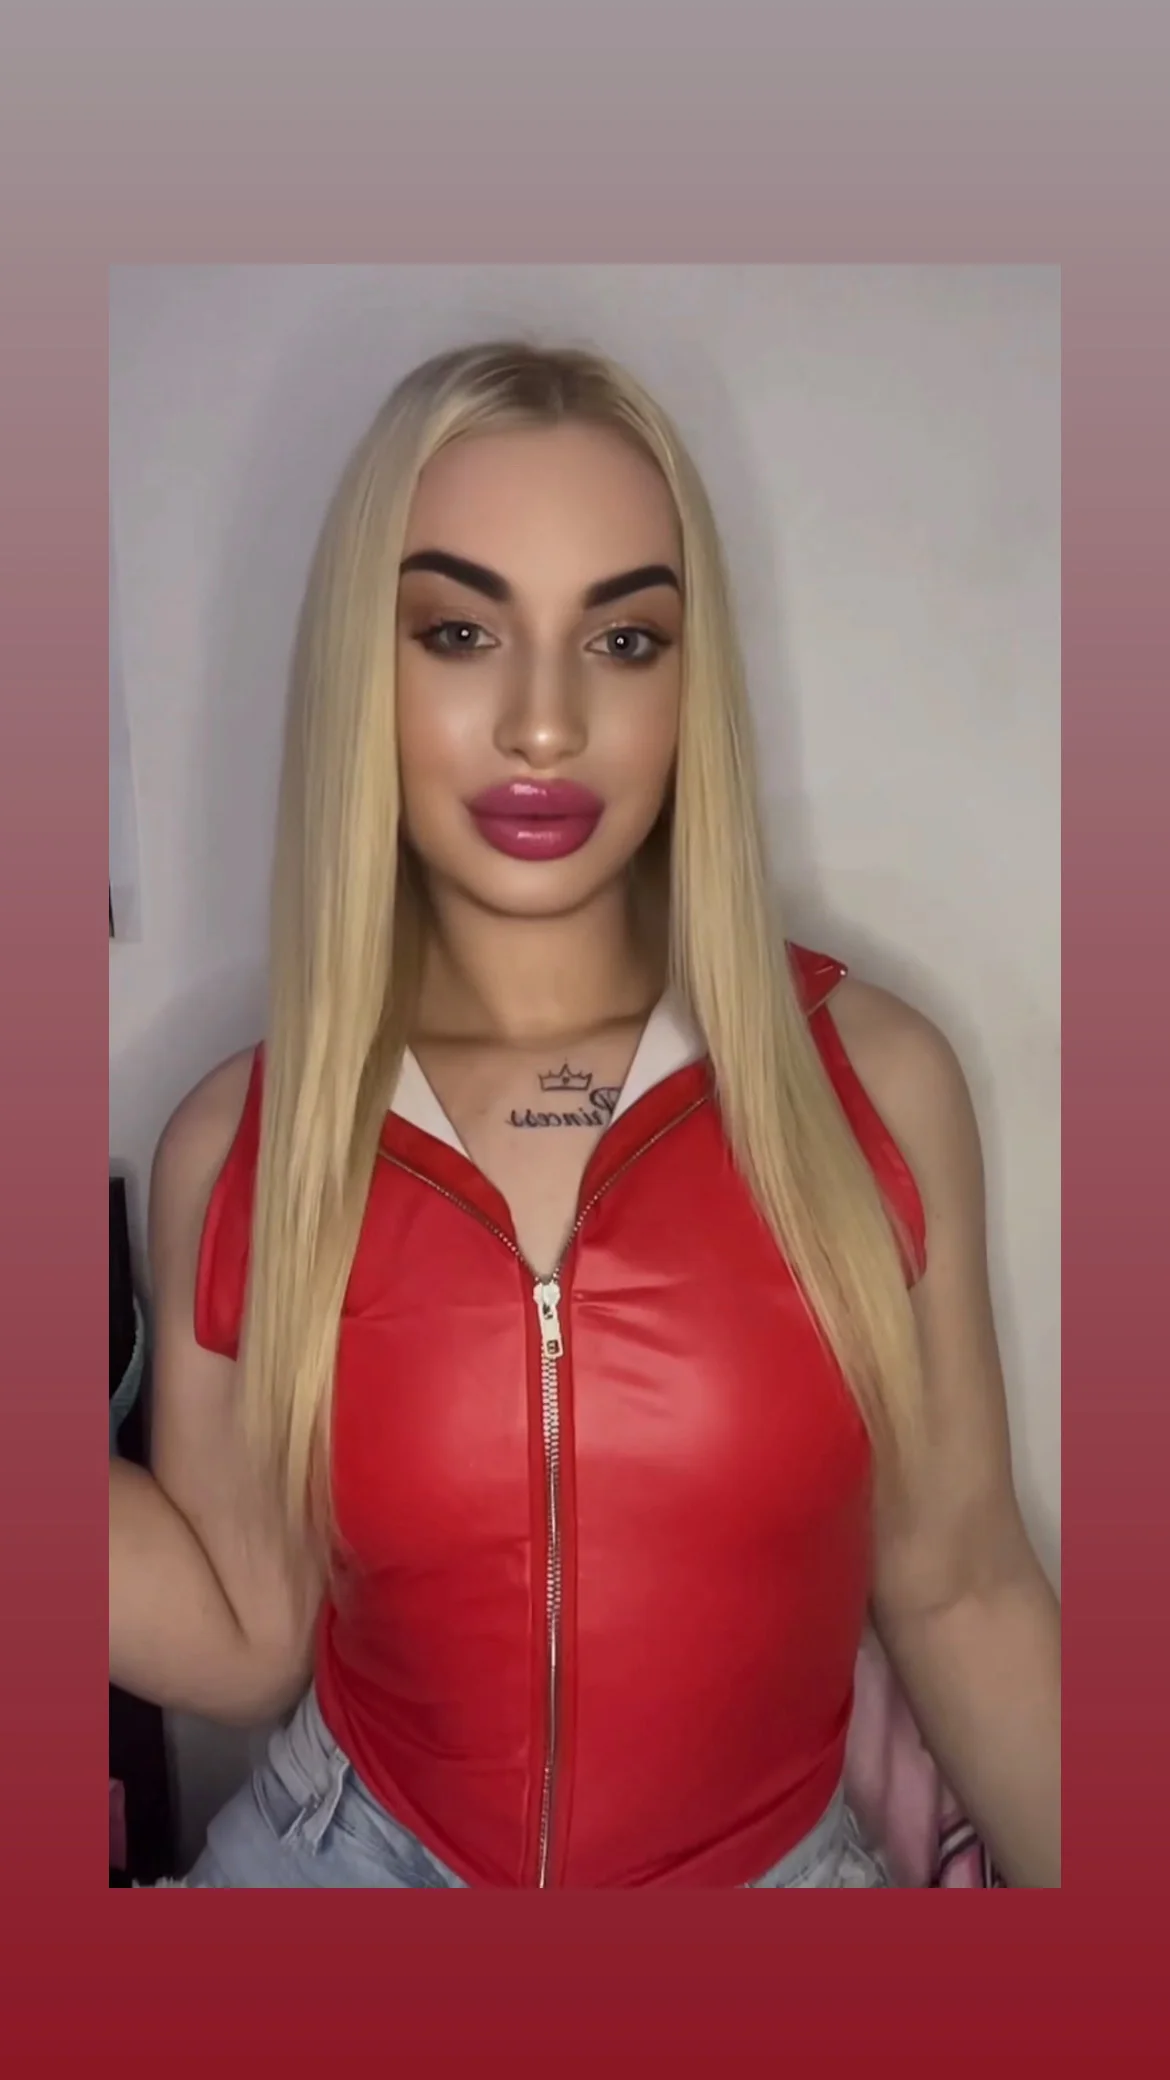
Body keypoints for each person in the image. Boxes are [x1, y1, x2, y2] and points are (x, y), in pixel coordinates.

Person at [109, 339, 1060, 1888]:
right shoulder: (245, 1147)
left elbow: (960, 1587)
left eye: (622, 640)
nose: (544, 724)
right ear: (365, 665)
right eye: (459, 631)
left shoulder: (869, 1089)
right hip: (341, 1864)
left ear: (690, 684)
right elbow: (241, 1632)